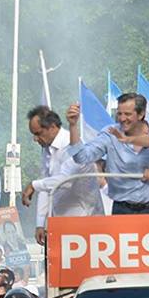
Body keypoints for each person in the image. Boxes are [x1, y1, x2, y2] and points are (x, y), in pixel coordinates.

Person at [70, 93, 149, 214]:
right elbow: (81, 158)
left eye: (128, 114)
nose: (122, 118)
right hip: (122, 210)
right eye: (119, 113)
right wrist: (73, 125)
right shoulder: (110, 134)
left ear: (141, 114)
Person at [21, 105, 101, 245]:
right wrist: (40, 223)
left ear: (52, 127)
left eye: (38, 133)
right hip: (59, 222)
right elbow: (46, 184)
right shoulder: (46, 149)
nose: (35, 139)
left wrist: (33, 185)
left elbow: (65, 181)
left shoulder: (72, 145)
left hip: (84, 221)